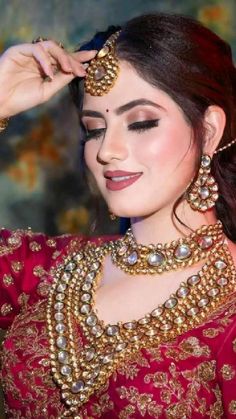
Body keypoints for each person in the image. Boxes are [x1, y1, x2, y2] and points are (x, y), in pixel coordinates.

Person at [0, 12, 236, 419]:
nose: (107, 150)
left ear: (209, 131)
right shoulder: (41, 272)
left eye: (141, 122)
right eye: (93, 129)